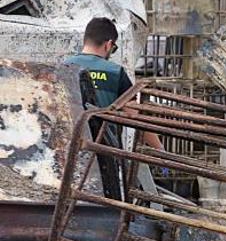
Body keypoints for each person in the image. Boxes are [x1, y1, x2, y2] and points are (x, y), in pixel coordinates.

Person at [64, 17, 162, 150]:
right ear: (108, 44)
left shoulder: (64, 68)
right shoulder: (116, 73)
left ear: (85, 40)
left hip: (67, 149)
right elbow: (134, 116)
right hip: (104, 153)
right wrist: (160, 149)